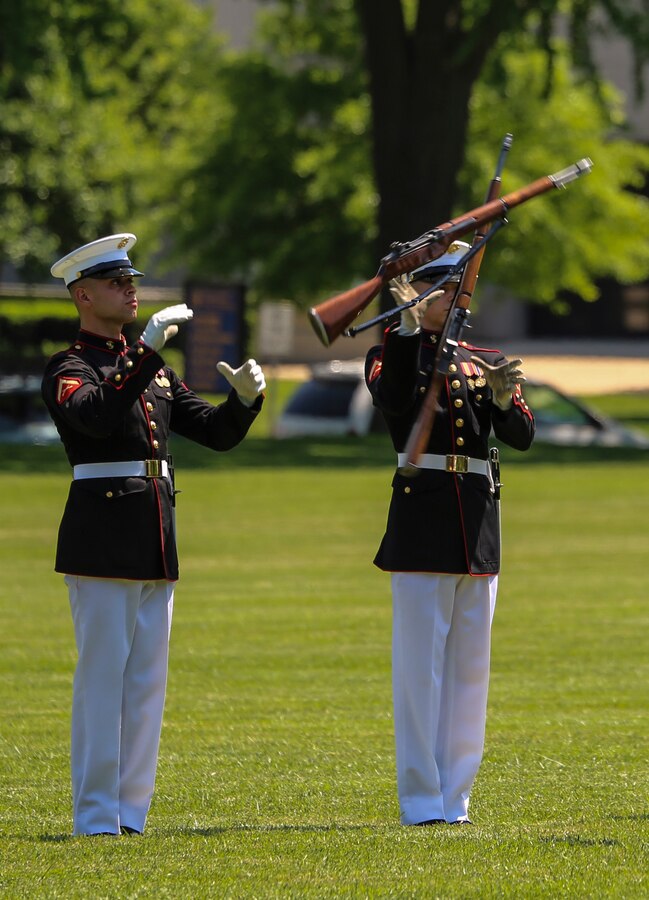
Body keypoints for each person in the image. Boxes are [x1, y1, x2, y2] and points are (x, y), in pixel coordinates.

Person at [42, 233, 266, 837]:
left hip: (154, 536)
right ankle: (94, 814)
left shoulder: (153, 372)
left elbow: (214, 433)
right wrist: (144, 354)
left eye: (132, 280)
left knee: (145, 687)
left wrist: (244, 401)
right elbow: (94, 417)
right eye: (117, 283)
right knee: (102, 681)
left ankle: (130, 812)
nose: (131, 289)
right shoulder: (70, 367)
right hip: (103, 536)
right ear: (84, 296)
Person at [364, 240, 535, 827]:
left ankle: (456, 797)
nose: (459, 299)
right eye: (445, 290)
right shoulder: (390, 352)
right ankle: (419, 799)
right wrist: (408, 331)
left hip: (477, 525)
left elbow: (520, 436)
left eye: (460, 289)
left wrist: (506, 399)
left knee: (469, 673)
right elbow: (392, 401)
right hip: (423, 524)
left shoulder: (477, 357)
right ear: (419, 294)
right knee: (420, 674)